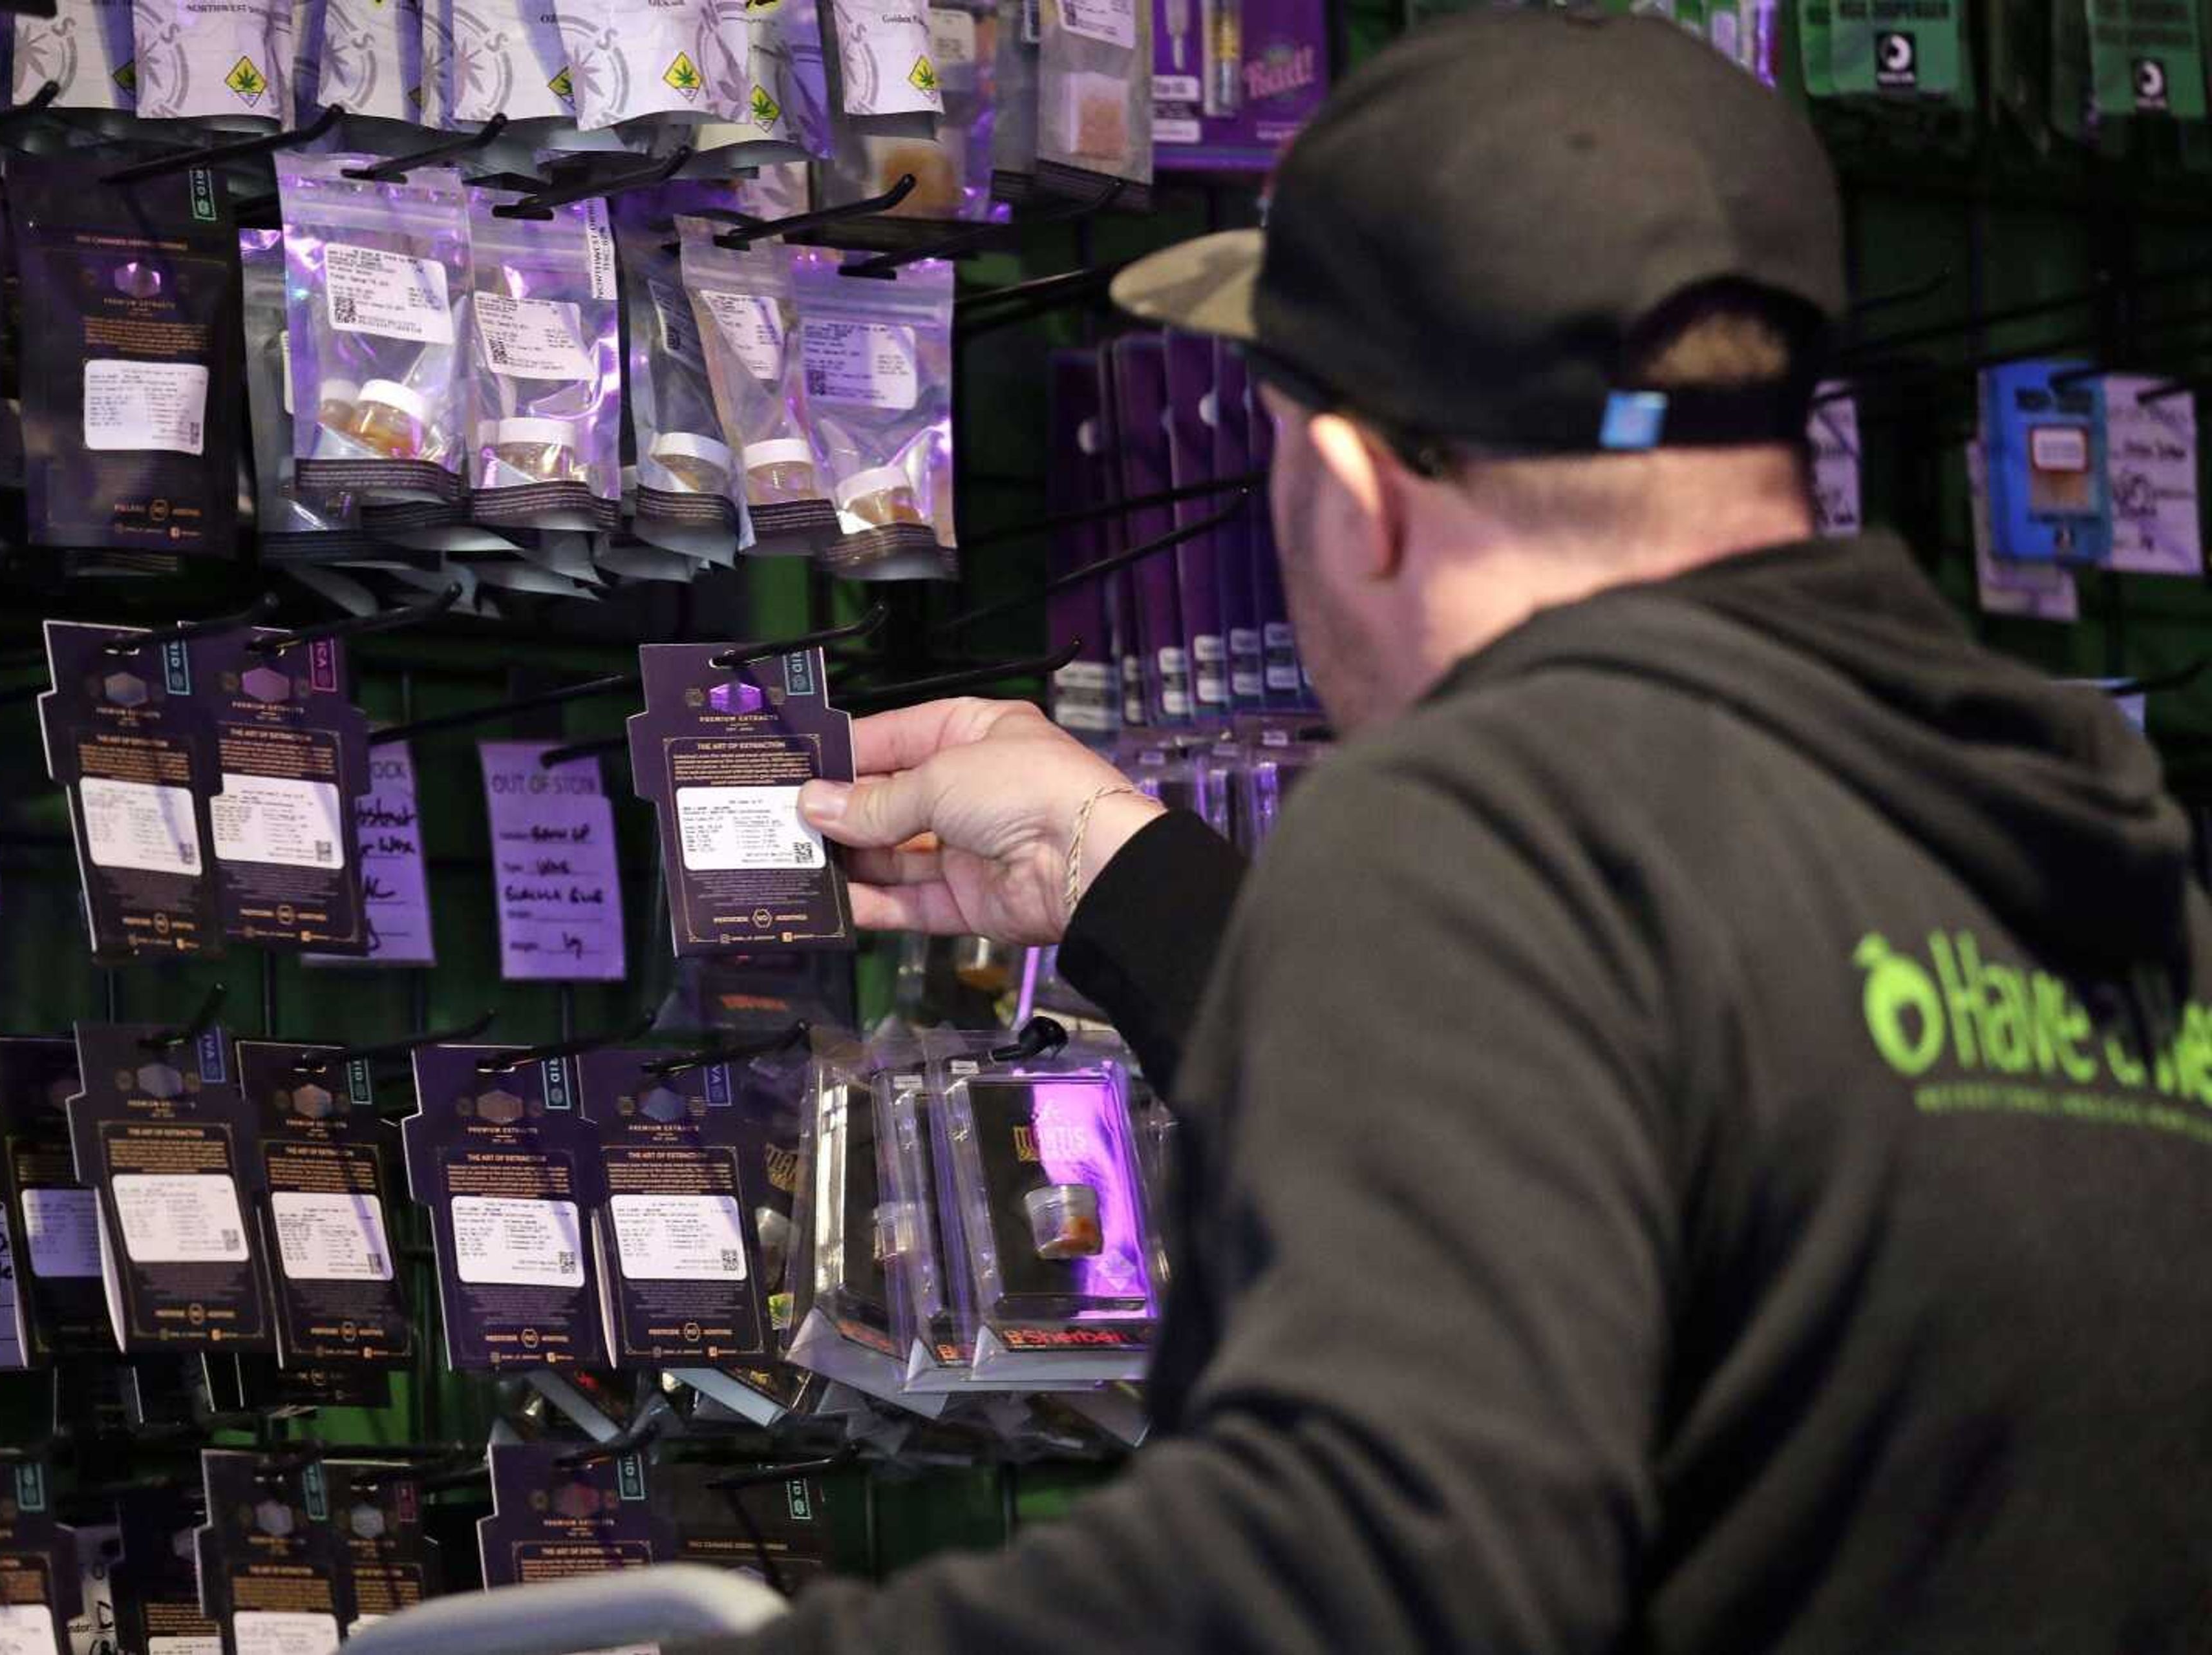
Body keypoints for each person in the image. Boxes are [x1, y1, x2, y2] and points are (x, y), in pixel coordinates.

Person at [692, 12, 2212, 1651]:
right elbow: (1692, 1173)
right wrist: (1126, 876)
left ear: (1357, 484)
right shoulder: (2084, 851)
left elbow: (1356, 1580)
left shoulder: (1498, 828)